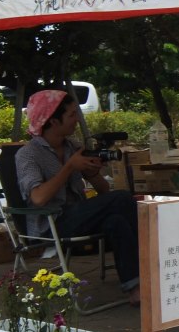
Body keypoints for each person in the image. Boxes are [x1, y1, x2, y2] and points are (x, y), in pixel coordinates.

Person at [15, 91, 141, 305]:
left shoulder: (71, 146)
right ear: (53, 120)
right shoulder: (28, 155)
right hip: (52, 224)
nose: (77, 119)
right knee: (122, 199)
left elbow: (102, 191)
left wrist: (92, 172)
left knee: (117, 220)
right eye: (72, 114)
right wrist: (69, 167)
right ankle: (150, 271)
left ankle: (135, 287)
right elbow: (38, 198)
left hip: (79, 216)